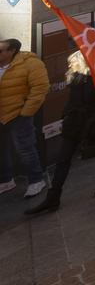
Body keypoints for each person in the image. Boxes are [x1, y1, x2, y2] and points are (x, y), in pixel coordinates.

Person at [23, 51, 95, 215]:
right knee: (63, 159)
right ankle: (53, 197)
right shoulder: (74, 77)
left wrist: (94, 119)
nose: (69, 65)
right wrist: (65, 116)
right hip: (74, 122)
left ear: (83, 63)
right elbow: (72, 101)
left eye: (72, 62)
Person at [0, 37, 50, 198]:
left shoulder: (30, 63)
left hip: (18, 114)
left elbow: (40, 88)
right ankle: (6, 180)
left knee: (25, 149)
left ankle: (36, 180)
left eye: (1, 50)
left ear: (12, 51)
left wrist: (26, 112)